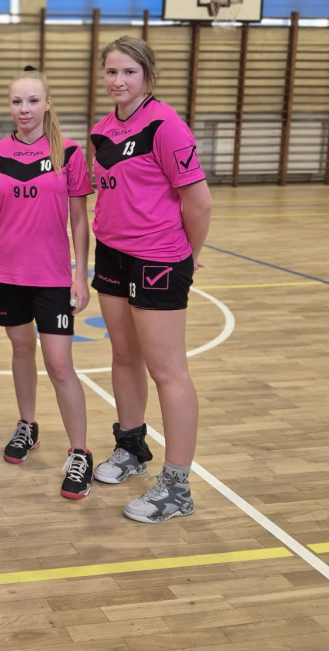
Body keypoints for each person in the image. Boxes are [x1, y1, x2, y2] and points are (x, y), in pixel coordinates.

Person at [88, 36, 212, 523]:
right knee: (124, 355)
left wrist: (189, 255)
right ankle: (131, 448)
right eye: (111, 72)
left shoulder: (165, 126)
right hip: (112, 254)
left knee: (168, 371)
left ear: (147, 75)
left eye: (129, 72)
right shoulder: (102, 129)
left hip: (158, 257)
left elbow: (199, 202)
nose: (118, 81)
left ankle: (177, 487)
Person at [0, 68, 95, 499]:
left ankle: (80, 451)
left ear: (47, 103)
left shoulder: (70, 153)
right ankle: (27, 424)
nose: (23, 109)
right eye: (16, 101)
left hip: (52, 277)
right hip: (8, 274)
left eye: (31, 101)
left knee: (60, 364)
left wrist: (80, 274)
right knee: (21, 348)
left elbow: (79, 219)